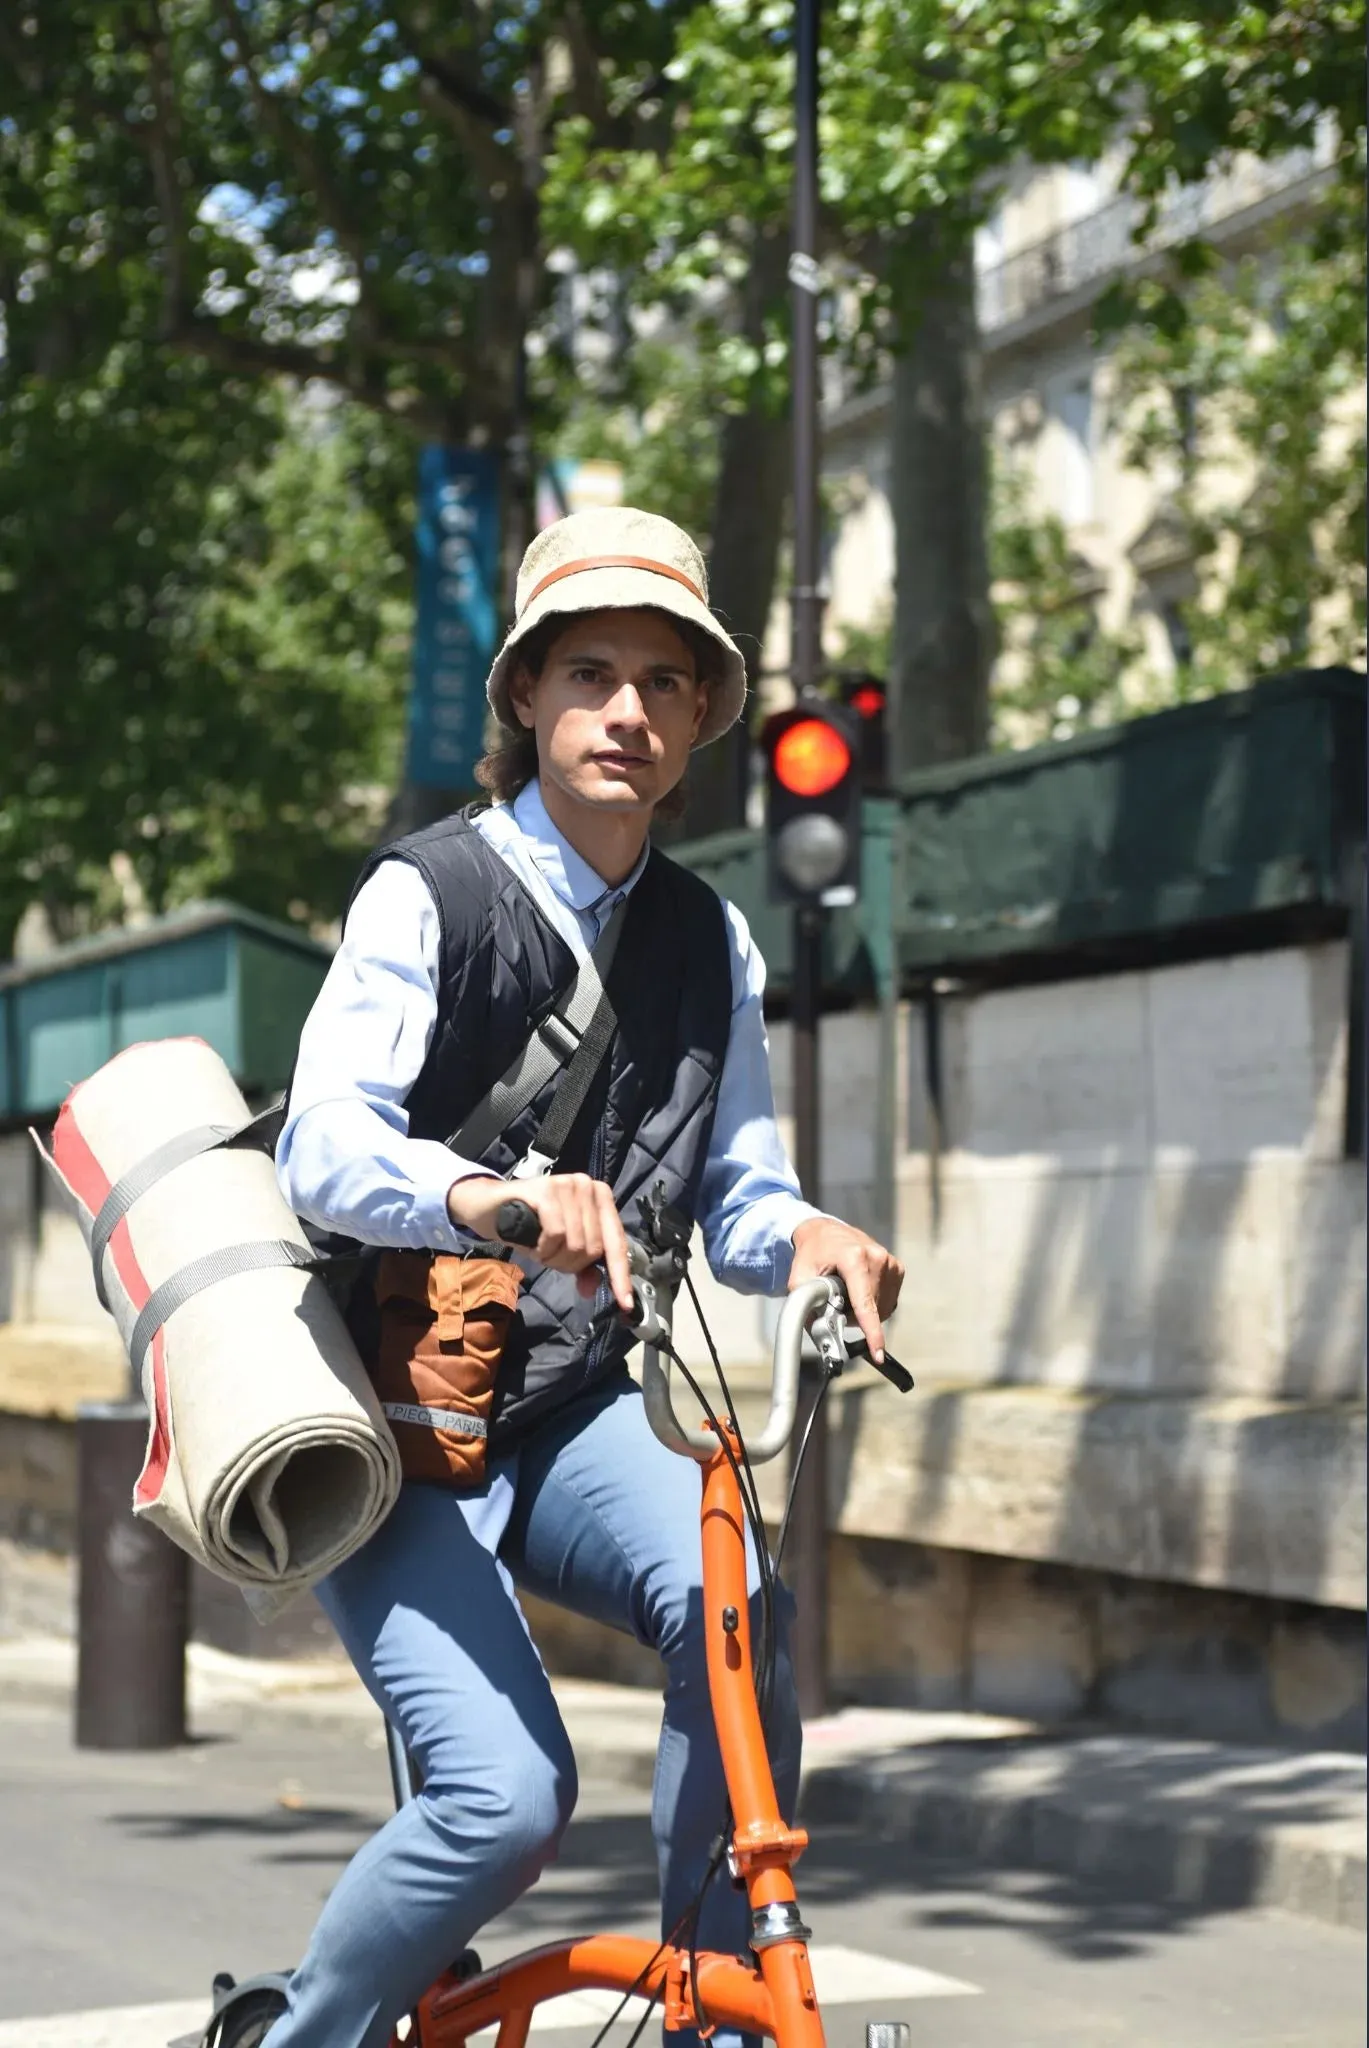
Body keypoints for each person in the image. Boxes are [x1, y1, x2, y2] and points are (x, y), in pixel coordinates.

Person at [269, 505, 904, 2048]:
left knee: (742, 1600)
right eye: (590, 674)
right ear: (528, 700)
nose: (627, 710)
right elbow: (323, 1147)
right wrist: (489, 1197)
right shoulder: (427, 894)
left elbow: (740, 1199)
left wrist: (811, 1235)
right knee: (505, 1800)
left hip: (559, 1410)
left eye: (663, 684)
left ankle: (712, 2016)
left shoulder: (712, 941)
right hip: (394, 1431)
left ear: (697, 721)